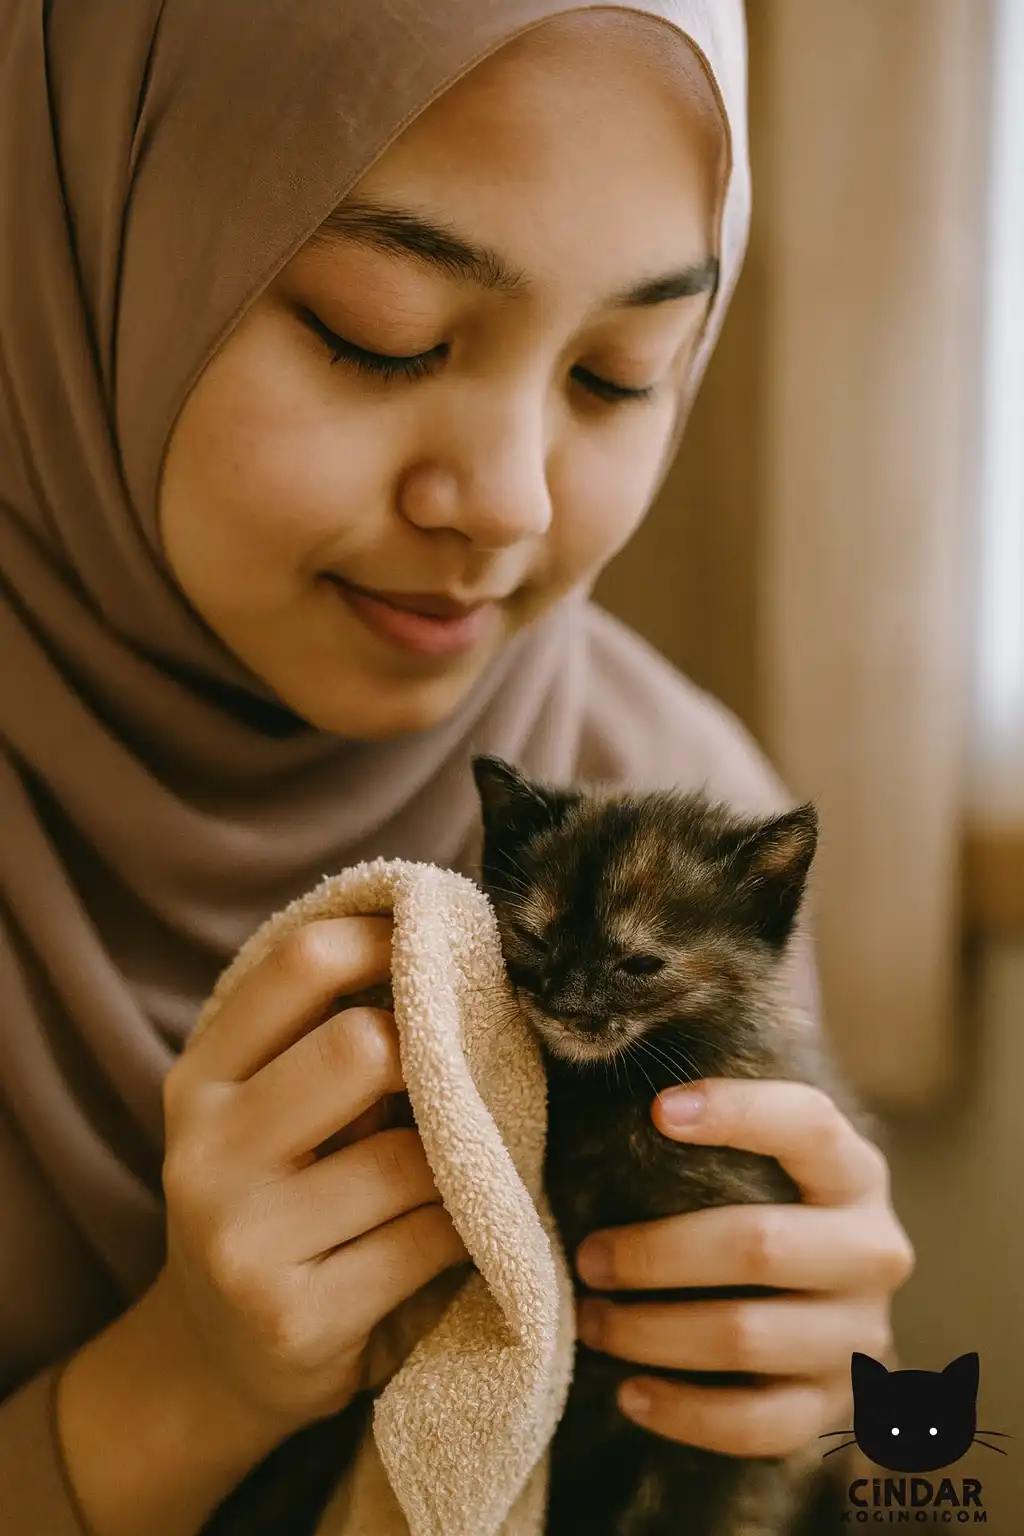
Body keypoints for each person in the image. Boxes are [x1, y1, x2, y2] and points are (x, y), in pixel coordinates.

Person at [0, 2, 914, 1533]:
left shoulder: (652, 785)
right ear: (93, 239)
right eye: (381, 333)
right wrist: (174, 1394)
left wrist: (820, 1425)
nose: (502, 503)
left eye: (620, 373)